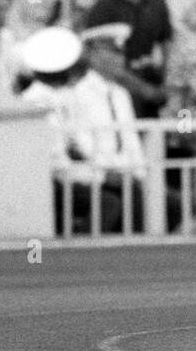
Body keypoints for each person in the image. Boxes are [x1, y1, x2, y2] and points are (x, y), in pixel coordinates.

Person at [20, 26, 147, 234]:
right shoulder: (37, 101)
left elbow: (76, 145)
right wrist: (101, 175)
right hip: (49, 180)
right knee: (111, 202)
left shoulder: (61, 97)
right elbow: (59, 160)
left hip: (76, 172)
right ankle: (80, 255)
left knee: (131, 190)